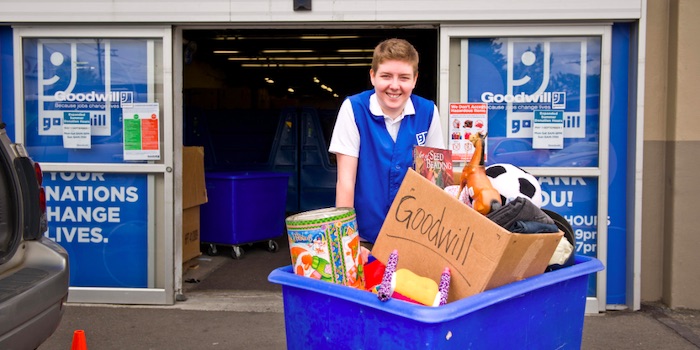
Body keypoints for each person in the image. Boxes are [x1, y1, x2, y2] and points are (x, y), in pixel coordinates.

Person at [328, 38, 446, 246]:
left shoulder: (428, 112)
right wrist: (347, 242)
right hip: (363, 237)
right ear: (373, 76)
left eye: (404, 77)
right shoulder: (353, 109)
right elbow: (345, 182)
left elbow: (434, 181)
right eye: (386, 76)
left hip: (413, 237)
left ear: (415, 79)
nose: (394, 86)